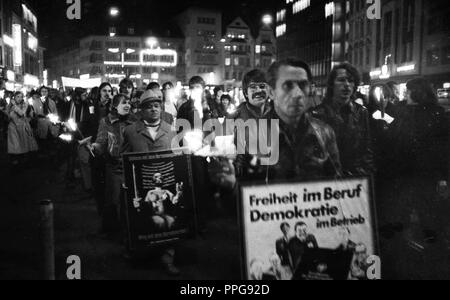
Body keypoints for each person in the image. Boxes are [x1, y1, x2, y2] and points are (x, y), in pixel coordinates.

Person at [121, 89, 180, 276]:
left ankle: (167, 258)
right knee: (142, 221)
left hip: (165, 184)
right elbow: (124, 157)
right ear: (141, 110)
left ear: (161, 108)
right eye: (148, 107)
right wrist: (126, 179)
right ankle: (139, 254)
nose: (153, 110)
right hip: (140, 185)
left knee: (168, 222)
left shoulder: (171, 130)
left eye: (156, 106)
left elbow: (177, 156)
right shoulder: (130, 131)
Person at [262, 59, 342, 181]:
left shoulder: (325, 133)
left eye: (303, 85)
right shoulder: (251, 135)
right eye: (288, 86)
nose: (297, 94)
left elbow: (337, 184)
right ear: (271, 92)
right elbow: (243, 191)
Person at [312, 62, 374, 176]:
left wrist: (365, 175)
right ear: (331, 84)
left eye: (350, 81)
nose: (346, 85)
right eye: (341, 80)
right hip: (327, 180)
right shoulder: (316, 114)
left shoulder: (361, 112)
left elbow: (366, 149)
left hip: (355, 178)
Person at [91, 93, 137, 233]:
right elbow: (101, 142)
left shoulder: (135, 120)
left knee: (130, 201)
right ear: (114, 106)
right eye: (123, 102)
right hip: (114, 166)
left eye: (128, 102)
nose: (127, 105)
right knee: (113, 200)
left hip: (132, 165)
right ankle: (111, 231)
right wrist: (94, 147)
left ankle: (129, 231)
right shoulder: (106, 121)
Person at [7, 91, 38, 160]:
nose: (20, 98)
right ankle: (15, 160)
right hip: (13, 127)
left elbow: (22, 114)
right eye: (18, 96)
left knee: (22, 145)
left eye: (21, 97)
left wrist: (15, 105)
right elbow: (8, 114)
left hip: (22, 127)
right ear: (14, 97)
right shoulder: (11, 105)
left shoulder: (24, 105)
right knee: (15, 145)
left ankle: (22, 160)